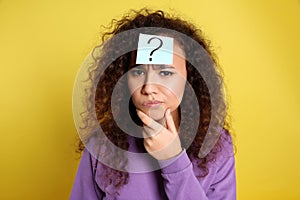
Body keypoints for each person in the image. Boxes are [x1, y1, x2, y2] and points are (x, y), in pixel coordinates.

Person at [70, 8, 236, 200]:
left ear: (191, 78)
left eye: (165, 73)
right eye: (138, 72)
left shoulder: (216, 143)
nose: (149, 87)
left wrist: (173, 161)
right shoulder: (102, 144)